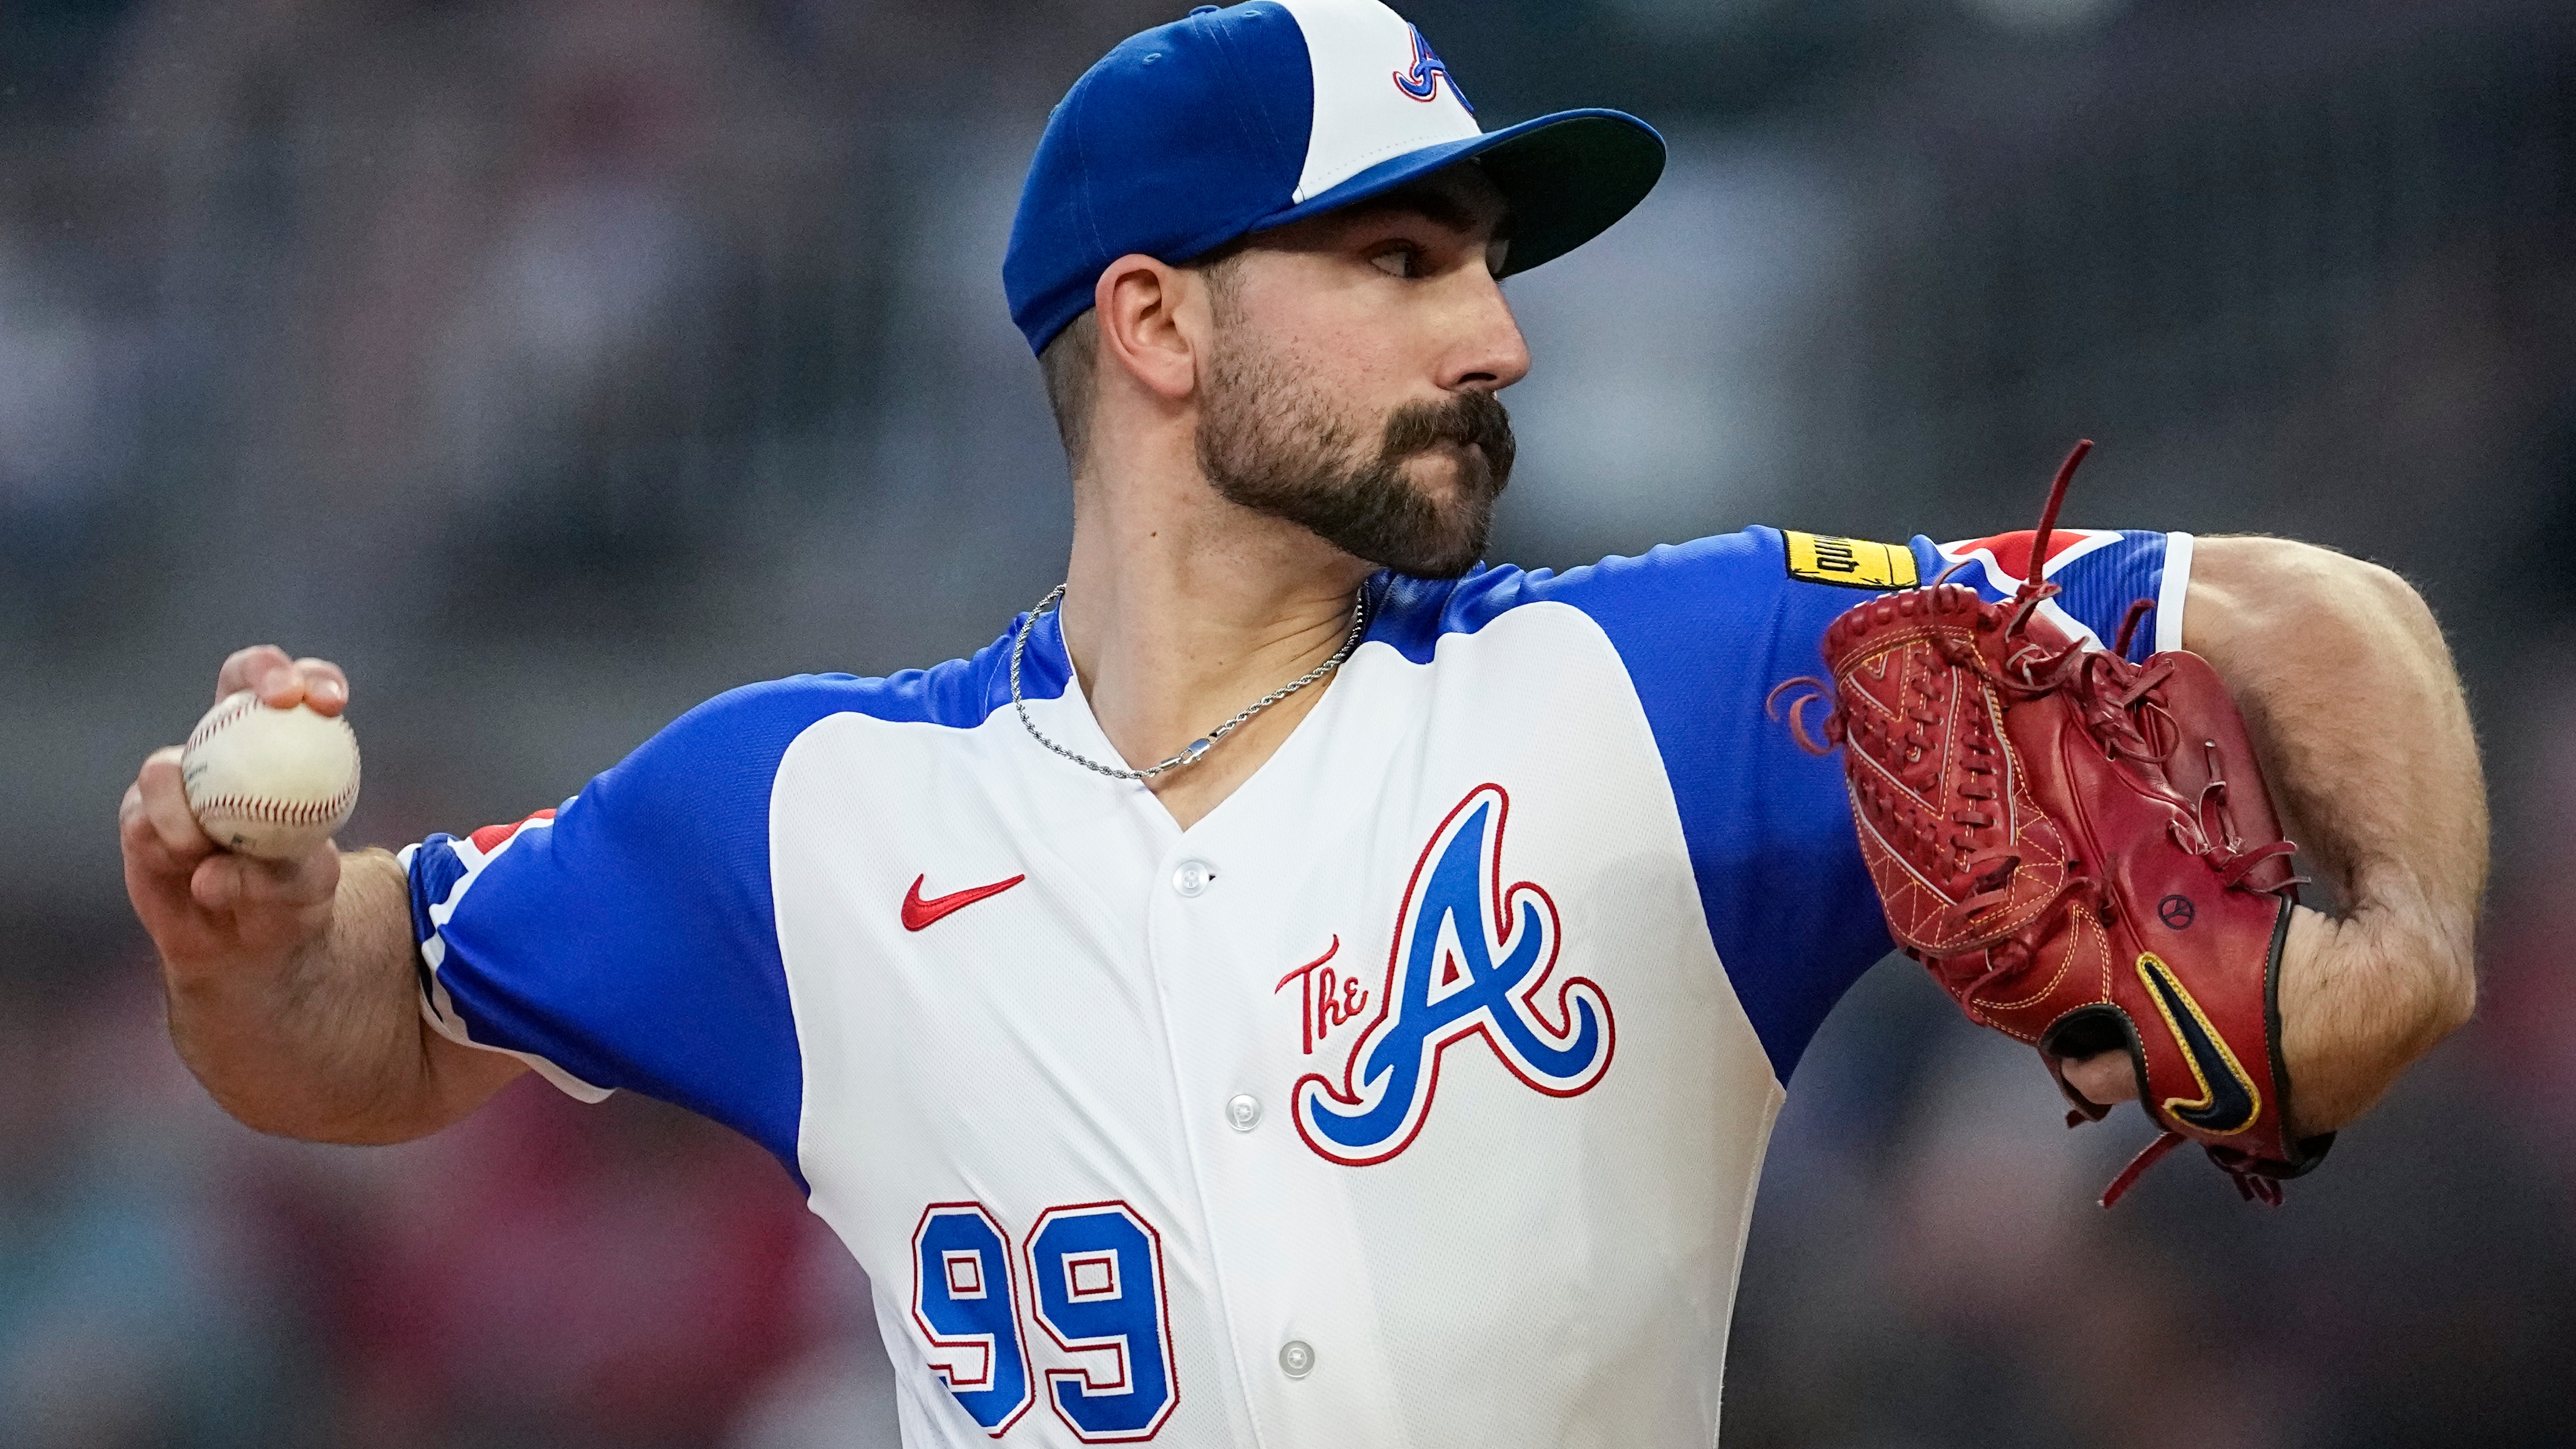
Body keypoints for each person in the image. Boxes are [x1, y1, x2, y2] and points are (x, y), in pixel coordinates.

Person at [119, 1, 2484, 1444]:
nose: (1498, 335)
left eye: (1484, 263)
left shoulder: (1667, 682)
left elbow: (2294, 605)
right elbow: (369, 1017)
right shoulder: (809, 814)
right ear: (1153, 324)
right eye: (1400, 261)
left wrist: (2402, 948)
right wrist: (237, 948)